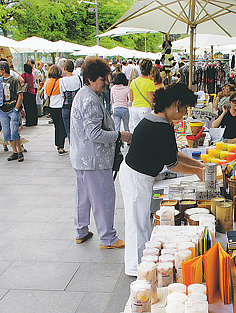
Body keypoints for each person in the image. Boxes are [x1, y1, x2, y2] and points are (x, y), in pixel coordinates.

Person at [120, 83, 204, 277]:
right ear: (176, 104)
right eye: (184, 109)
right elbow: (172, 163)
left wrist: (197, 165)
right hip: (135, 177)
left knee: (141, 222)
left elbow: (173, 153)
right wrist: (197, 172)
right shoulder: (159, 125)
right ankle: (136, 269)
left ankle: (143, 263)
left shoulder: (160, 121)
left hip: (141, 176)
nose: (184, 114)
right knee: (137, 223)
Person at [69, 57, 131, 249]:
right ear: (90, 79)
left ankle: (81, 230)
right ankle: (108, 238)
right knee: (103, 196)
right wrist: (119, 134)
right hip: (94, 160)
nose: (107, 82)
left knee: (84, 196)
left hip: (82, 157)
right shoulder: (90, 100)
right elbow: (95, 133)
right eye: (103, 79)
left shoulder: (83, 94)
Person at [0, 61, 26, 162]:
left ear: (3, 70)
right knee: (7, 132)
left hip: (12, 107)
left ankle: (19, 151)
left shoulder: (14, 80)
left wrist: (17, 108)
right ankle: (15, 151)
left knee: (14, 131)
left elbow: (20, 95)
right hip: (3, 108)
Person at [44, 64, 68, 155]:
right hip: (60, 105)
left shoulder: (47, 82)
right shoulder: (61, 81)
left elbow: (46, 95)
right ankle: (61, 147)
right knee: (62, 126)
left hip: (51, 105)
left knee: (56, 126)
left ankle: (57, 144)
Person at [59, 59, 82, 144]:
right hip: (77, 106)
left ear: (65, 68)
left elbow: (62, 95)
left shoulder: (61, 80)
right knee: (78, 128)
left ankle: (72, 145)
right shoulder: (79, 78)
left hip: (66, 107)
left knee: (68, 129)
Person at [129, 59, 155, 131]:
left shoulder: (133, 81)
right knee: (146, 130)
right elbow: (151, 99)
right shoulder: (150, 83)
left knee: (136, 130)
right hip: (145, 108)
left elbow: (131, 98)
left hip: (135, 108)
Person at [21, 63, 38, 127]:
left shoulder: (24, 75)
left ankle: (29, 121)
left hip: (27, 92)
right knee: (33, 107)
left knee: (28, 108)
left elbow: (22, 82)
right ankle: (34, 121)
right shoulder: (31, 75)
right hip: (33, 92)